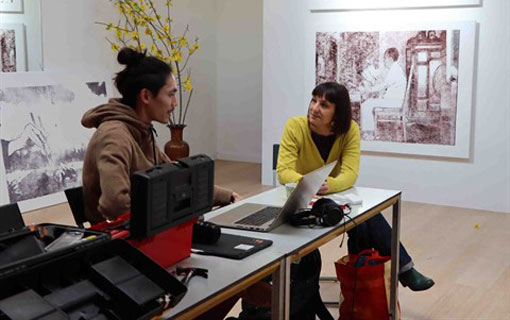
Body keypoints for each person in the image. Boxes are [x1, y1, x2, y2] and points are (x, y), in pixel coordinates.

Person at [277, 81, 434, 291]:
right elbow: (283, 172)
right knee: (367, 222)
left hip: (330, 196)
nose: (314, 108)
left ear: (337, 113)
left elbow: (350, 173)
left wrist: (328, 185)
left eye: (324, 105)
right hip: (299, 200)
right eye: (313, 100)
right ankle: (400, 271)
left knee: (366, 219)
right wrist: (308, 185)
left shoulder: (350, 130)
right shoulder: (295, 126)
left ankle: (359, 286)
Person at [81, 48, 239, 223]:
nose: (175, 103)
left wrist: (227, 196)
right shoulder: (114, 136)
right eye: (171, 94)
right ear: (146, 96)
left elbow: (176, 177)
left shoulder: (141, 130)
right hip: (123, 243)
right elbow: (115, 204)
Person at [360, 47, 407, 139]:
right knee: (370, 102)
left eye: (385, 59)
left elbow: (383, 86)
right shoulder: (395, 68)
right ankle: (371, 132)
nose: (384, 61)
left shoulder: (395, 70)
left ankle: (369, 133)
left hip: (394, 102)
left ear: (390, 58)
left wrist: (368, 90)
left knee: (366, 104)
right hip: (395, 100)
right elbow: (385, 84)